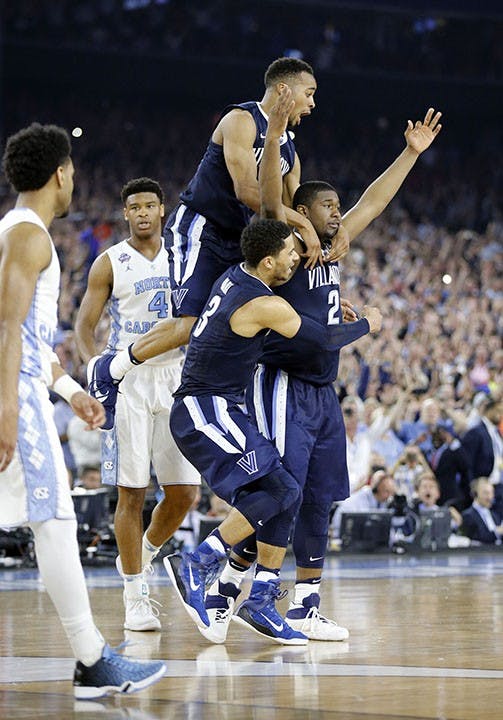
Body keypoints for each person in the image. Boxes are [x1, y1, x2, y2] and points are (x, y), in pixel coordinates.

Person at [199, 94, 441, 644]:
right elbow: (266, 196)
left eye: (338, 205)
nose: (338, 211)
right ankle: (229, 587)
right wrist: (279, 127)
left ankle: (305, 601)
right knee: (281, 491)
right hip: (281, 383)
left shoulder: (333, 248)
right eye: (328, 205)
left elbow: (374, 203)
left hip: (322, 390)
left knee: (321, 497)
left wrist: (408, 154)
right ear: (301, 213)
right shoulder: (289, 249)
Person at [0, 123, 165, 697]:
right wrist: (6, 409)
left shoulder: (19, 231)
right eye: (71, 171)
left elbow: (30, 337)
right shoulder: (29, 237)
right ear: (60, 174)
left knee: (52, 520)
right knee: (55, 519)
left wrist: (71, 392)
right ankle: (93, 661)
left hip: (24, 385)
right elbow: (6, 331)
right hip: (13, 396)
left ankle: (93, 658)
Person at [163, 215, 379, 645]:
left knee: (280, 492)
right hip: (204, 409)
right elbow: (322, 341)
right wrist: (368, 322)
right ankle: (199, 565)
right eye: (289, 253)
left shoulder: (237, 277)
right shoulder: (265, 304)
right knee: (283, 491)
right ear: (266, 262)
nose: (296, 258)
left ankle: (249, 595)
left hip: (218, 407)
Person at [84, 57, 350, 401]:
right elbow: (248, 192)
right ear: (284, 89)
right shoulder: (240, 120)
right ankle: (110, 369)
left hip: (240, 238)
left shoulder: (290, 150)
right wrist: (301, 223)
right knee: (192, 323)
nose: (313, 103)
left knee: (246, 320)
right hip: (202, 228)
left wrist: (336, 230)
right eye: (309, 93)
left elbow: (298, 207)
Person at [75, 177, 200, 632]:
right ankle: (135, 597)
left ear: (163, 209)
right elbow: (83, 325)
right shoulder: (109, 262)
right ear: (125, 213)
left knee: (185, 493)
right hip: (129, 378)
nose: (143, 212)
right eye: (134, 206)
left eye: (150, 204)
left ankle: (140, 556)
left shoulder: (183, 255)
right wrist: (96, 368)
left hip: (177, 376)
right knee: (132, 493)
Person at [461, 478, 503, 544]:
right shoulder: (467, 516)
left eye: (492, 492)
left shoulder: (495, 515)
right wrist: (498, 531)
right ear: (475, 494)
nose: (490, 497)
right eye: (486, 493)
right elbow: (478, 538)